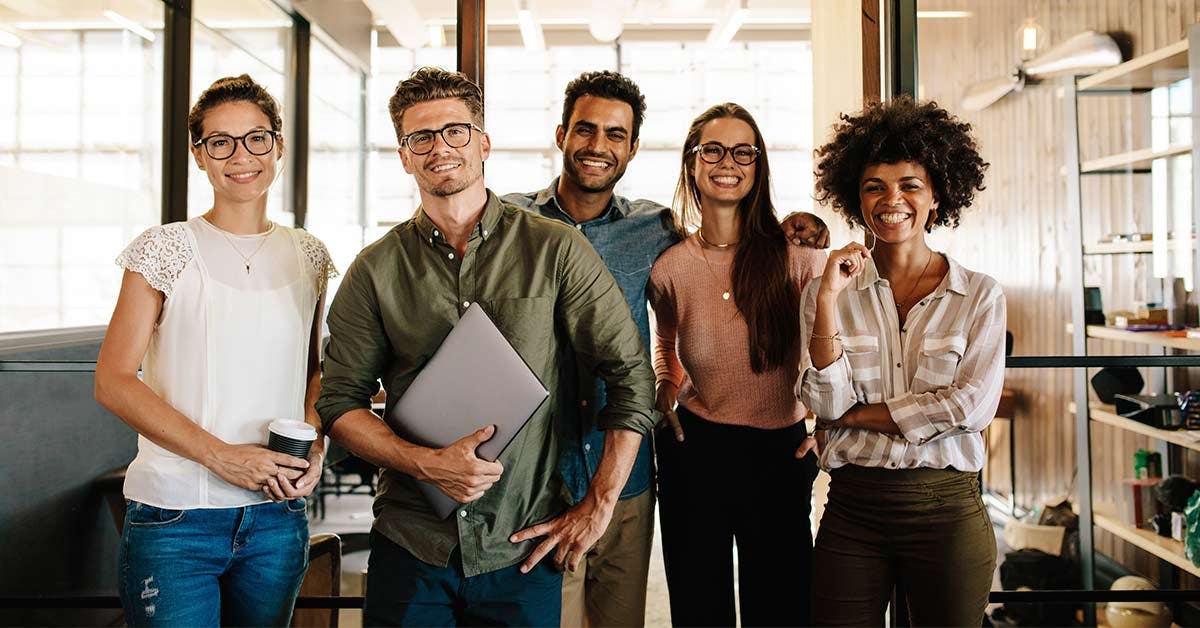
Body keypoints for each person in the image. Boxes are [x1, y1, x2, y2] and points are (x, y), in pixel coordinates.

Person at [314, 67, 655, 627]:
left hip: (522, 546)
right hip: (412, 543)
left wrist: (600, 504)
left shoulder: (555, 249)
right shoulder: (373, 270)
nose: (440, 147)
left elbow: (632, 376)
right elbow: (339, 403)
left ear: (484, 143)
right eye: (420, 137)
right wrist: (425, 464)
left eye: (455, 131)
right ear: (403, 156)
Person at [94, 74, 333, 626]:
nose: (240, 155)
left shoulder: (310, 255)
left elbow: (313, 372)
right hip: (177, 516)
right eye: (220, 142)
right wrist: (220, 455)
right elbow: (113, 380)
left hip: (276, 517)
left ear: (278, 146)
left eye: (256, 138)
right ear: (199, 155)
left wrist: (314, 449)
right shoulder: (164, 248)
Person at [799, 95, 1005, 626]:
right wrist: (827, 299)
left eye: (910, 184)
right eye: (875, 186)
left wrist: (855, 416)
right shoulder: (828, 290)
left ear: (937, 196)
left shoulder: (979, 295)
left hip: (947, 510)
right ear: (857, 198)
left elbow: (970, 408)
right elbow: (827, 401)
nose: (893, 200)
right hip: (853, 509)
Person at [647, 102, 826, 627]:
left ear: (758, 164)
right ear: (692, 162)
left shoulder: (799, 256)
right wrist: (665, 384)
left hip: (779, 453)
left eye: (743, 151)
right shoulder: (670, 267)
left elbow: (839, 352)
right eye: (713, 150)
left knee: (782, 609)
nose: (728, 162)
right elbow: (665, 340)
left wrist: (830, 426)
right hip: (694, 449)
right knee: (699, 610)